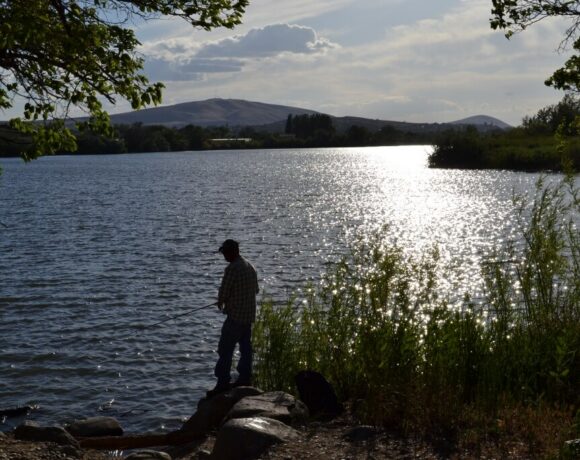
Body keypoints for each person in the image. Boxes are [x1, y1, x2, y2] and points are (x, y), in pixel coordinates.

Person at [207, 239, 259, 397]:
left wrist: (221, 301)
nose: (224, 256)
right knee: (246, 349)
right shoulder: (250, 266)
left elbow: (224, 292)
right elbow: (255, 290)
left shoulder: (232, 268)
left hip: (235, 317)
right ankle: (244, 378)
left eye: (225, 253)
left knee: (225, 349)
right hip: (248, 316)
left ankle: (222, 383)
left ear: (231, 252)